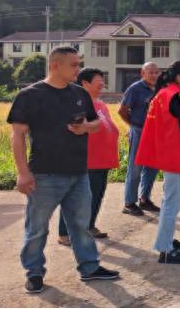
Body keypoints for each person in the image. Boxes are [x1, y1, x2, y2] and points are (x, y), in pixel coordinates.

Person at [7, 46, 120, 293]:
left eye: (79, 64)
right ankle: (34, 273)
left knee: (81, 224)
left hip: (79, 172)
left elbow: (96, 123)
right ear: (55, 65)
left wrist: (86, 127)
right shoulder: (30, 95)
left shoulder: (79, 93)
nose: (78, 69)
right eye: (73, 65)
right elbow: (17, 135)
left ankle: (89, 267)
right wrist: (23, 172)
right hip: (44, 174)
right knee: (37, 228)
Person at [135, 61, 180, 264]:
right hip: (176, 154)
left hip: (168, 152)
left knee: (168, 200)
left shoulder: (163, 93)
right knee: (173, 202)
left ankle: (167, 240)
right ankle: (165, 249)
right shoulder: (177, 95)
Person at [57, 69, 120, 245]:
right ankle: (65, 233)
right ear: (85, 83)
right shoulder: (76, 104)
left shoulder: (100, 104)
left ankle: (89, 225)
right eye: (99, 81)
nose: (103, 84)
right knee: (75, 198)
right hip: (86, 159)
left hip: (103, 159)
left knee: (96, 195)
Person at [119, 62, 161, 216]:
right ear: (142, 73)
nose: (154, 75)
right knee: (135, 167)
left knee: (152, 166)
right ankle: (129, 203)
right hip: (139, 130)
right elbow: (122, 110)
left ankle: (144, 199)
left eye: (156, 72)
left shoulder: (159, 88)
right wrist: (133, 126)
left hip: (154, 132)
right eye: (150, 72)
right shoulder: (135, 88)